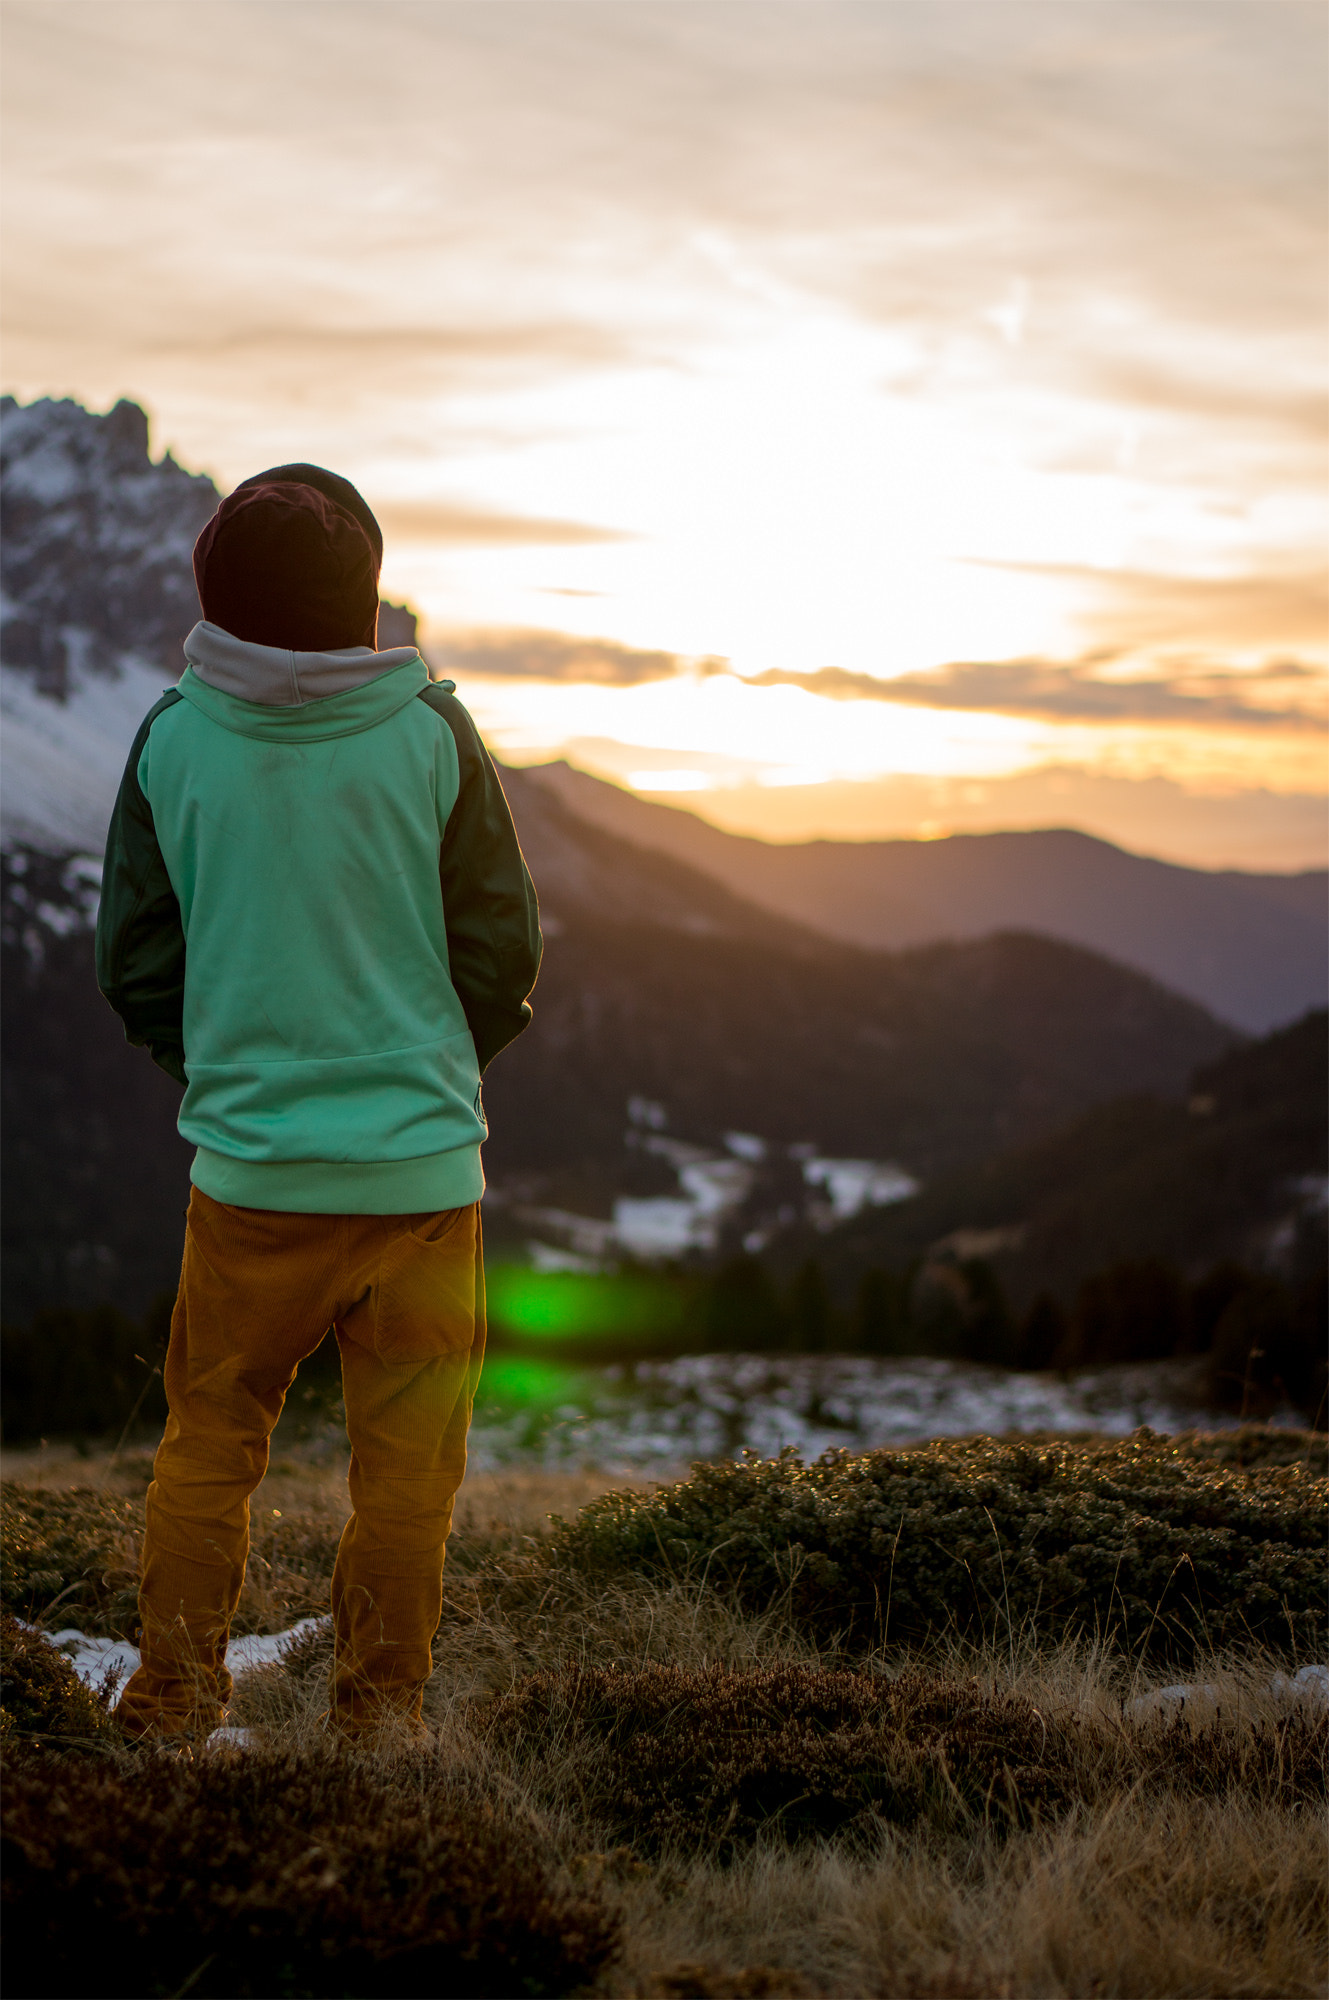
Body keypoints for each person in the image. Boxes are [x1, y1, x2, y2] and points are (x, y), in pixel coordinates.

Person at [95, 464, 541, 1741]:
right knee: (409, 1477)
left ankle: (173, 1699)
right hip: (422, 1183)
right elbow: (503, 950)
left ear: (216, 603)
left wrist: (235, 1073)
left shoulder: (173, 737)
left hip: (250, 1185)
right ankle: (381, 1719)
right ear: (366, 598)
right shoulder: (431, 733)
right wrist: (428, 1079)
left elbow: (132, 962)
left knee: (209, 1445)